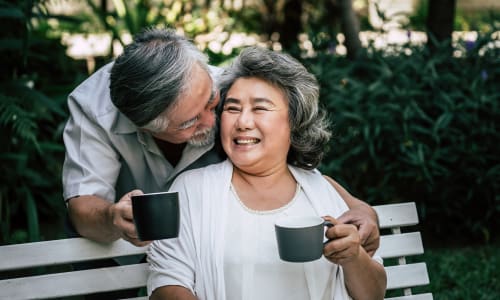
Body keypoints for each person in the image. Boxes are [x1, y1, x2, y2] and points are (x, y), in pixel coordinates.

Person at [63, 27, 379, 253]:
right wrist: (114, 219)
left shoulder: (222, 85)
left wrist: (358, 207)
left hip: (211, 244)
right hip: (117, 253)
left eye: (213, 103)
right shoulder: (95, 109)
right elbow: (83, 204)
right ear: (144, 127)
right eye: (189, 122)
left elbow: (285, 168)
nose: (215, 122)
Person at [147, 47, 387, 300]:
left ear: (294, 121)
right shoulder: (191, 189)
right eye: (232, 108)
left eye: (260, 108)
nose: (243, 122)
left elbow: (373, 295)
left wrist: (353, 257)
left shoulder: (320, 190)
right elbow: (168, 285)